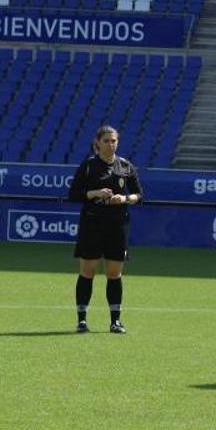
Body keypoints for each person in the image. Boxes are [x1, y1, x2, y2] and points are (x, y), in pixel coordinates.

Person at [67, 126, 143, 334]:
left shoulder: (125, 166)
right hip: (92, 224)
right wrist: (95, 193)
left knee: (114, 273)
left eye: (114, 141)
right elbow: (74, 194)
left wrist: (125, 198)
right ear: (97, 143)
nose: (111, 144)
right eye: (107, 141)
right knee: (87, 271)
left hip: (117, 225)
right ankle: (82, 320)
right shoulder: (89, 165)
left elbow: (139, 195)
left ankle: (115, 321)